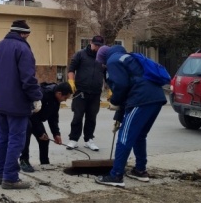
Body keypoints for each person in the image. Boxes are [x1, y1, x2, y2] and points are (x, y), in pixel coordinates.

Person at [0, 19, 42, 190]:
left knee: (3, 138)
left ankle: (0, 174)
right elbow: (28, 79)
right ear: (24, 34)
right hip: (17, 103)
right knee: (16, 140)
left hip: (0, 102)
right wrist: (36, 97)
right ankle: (10, 178)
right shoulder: (23, 49)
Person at [94, 45, 167, 188]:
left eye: (101, 63)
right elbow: (127, 89)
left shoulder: (113, 61)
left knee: (124, 137)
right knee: (139, 136)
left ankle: (116, 175)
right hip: (156, 98)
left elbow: (121, 86)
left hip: (141, 99)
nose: (102, 65)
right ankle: (140, 170)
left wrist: (114, 101)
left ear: (103, 59)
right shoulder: (127, 58)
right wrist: (119, 117)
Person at [19, 82, 73, 172]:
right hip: (27, 116)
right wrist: (40, 132)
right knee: (26, 138)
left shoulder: (56, 100)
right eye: (65, 97)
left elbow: (53, 118)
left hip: (37, 119)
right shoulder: (43, 94)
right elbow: (33, 114)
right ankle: (24, 161)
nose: (65, 100)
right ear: (59, 93)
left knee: (44, 140)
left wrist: (56, 134)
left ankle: (44, 163)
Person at [66, 35, 105, 151]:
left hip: (95, 92)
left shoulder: (103, 58)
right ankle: (73, 139)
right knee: (77, 116)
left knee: (91, 117)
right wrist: (71, 82)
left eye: (99, 45)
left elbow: (107, 73)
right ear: (90, 42)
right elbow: (71, 69)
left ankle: (89, 139)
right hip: (80, 91)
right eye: (95, 44)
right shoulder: (80, 54)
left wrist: (112, 88)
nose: (97, 47)